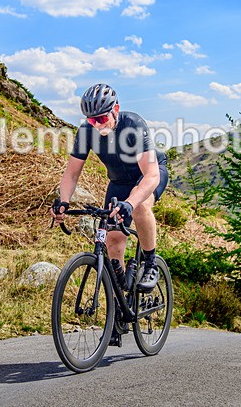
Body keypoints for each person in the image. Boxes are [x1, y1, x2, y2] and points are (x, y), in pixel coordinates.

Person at [50, 83, 169, 345]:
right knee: (113, 241)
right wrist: (63, 201)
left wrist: (131, 202)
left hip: (148, 175)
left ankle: (150, 263)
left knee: (140, 207)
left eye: (102, 118)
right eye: (91, 120)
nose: (97, 124)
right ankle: (119, 307)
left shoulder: (133, 125)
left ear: (115, 110)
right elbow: (72, 173)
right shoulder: (87, 132)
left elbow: (150, 176)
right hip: (118, 182)